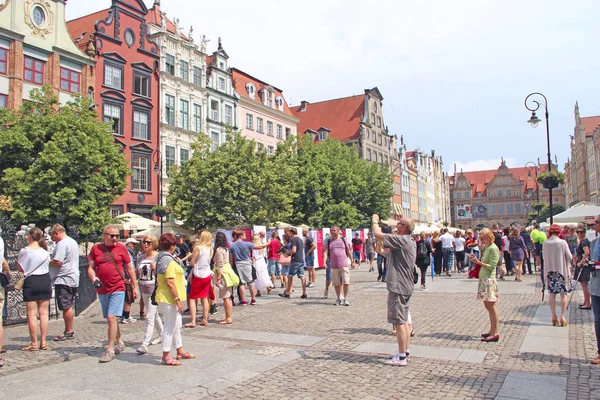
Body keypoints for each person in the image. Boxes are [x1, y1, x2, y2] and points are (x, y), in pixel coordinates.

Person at [88, 224, 139, 363]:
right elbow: (91, 268)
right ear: (105, 235)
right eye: (112, 236)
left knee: (111, 317)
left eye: (117, 235)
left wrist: (135, 287)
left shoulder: (121, 248)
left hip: (118, 286)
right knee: (111, 319)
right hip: (103, 288)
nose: (115, 238)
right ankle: (120, 341)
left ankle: (110, 349)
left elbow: (130, 268)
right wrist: (94, 277)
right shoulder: (95, 249)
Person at [372, 215, 416, 367]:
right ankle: (405, 351)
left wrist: (374, 220)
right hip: (404, 285)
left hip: (399, 286)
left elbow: (377, 234)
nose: (396, 226)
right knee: (404, 321)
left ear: (405, 227)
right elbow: (383, 251)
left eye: (399, 224)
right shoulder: (405, 243)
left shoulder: (403, 240)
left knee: (399, 322)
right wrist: (380, 242)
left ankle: (402, 357)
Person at [155, 233, 194, 366]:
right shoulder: (168, 260)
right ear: (172, 246)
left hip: (168, 297)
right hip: (169, 298)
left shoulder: (165, 257)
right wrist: (177, 300)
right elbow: (170, 281)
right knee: (170, 326)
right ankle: (166, 355)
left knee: (177, 325)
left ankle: (179, 350)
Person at [16, 227, 51, 351]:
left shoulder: (24, 251)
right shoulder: (45, 252)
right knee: (44, 313)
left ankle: (34, 343)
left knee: (32, 314)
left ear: (29, 236)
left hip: (31, 281)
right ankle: (43, 342)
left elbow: (20, 268)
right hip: (45, 280)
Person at [48, 224, 80, 342]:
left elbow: (58, 261)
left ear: (57, 233)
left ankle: (68, 330)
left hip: (64, 277)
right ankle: (68, 329)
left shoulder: (62, 244)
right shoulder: (72, 242)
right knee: (68, 304)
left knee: (66, 305)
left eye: (53, 237)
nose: (52, 240)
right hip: (72, 277)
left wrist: (47, 261)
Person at [468, 228, 500, 343]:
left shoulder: (493, 248)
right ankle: (491, 330)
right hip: (484, 279)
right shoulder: (486, 248)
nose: (481, 240)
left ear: (488, 237)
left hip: (489, 279)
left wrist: (478, 262)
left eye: (482, 238)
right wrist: (476, 261)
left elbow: (492, 266)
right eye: (480, 238)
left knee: (491, 306)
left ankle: (495, 332)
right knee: (488, 306)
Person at [135, 235, 163, 354]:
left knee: (149, 316)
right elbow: (137, 273)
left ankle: (145, 343)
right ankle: (162, 334)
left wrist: (156, 268)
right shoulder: (140, 257)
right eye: (144, 242)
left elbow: (163, 273)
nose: (145, 244)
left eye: (148, 243)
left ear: (154, 244)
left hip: (154, 289)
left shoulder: (158, 257)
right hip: (143, 288)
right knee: (154, 313)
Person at [542, 224, 573, 327]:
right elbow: (569, 257)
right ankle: (563, 317)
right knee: (563, 294)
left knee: (552, 294)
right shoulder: (562, 242)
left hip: (550, 272)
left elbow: (543, 257)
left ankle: (554, 316)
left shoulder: (545, 243)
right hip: (561, 272)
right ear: (559, 232)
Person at [230, 230, 268, 305]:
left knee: (241, 283)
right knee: (251, 282)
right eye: (244, 235)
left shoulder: (232, 246)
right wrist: (268, 242)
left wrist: (231, 267)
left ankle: (243, 300)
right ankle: (253, 299)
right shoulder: (247, 244)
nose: (246, 236)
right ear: (240, 236)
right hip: (247, 263)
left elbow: (231, 259)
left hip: (238, 264)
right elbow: (260, 246)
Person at [322, 225, 352, 306]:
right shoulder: (329, 241)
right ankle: (338, 298)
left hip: (344, 264)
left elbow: (348, 250)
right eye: (331, 230)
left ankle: (345, 298)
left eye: (334, 230)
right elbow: (325, 252)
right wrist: (324, 262)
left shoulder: (343, 239)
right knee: (336, 283)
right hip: (334, 265)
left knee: (346, 282)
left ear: (338, 231)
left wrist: (352, 261)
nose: (332, 232)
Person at [212, 232, 234, 325]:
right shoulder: (225, 249)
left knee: (225, 297)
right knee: (227, 296)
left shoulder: (219, 250)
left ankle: (228, 317)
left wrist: (219, 278)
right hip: (228, 271)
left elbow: (220, 264)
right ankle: (228, 317)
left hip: (223, 273)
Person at [280, 227, 307, 299]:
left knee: (290, 276)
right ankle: (304, 292)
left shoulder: (294, 240)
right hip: (301, 259)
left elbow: (294, 250)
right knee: (302, 276)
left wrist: (288, 253)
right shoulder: (300, 240)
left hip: (295, 260)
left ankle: (287, 292)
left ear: (291, 233)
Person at [588, 217, 600, 364]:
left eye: (596, 223)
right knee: (598, 321)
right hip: (596, 285)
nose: (593, 226)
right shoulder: (595, 242)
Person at [122, 237, 139, 324]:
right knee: (129, 297)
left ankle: (124, 315)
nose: (135, 246)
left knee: (126, 297)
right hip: (127, 277)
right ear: (129, 243)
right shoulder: (127, 252)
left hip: (125, 277)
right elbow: (130, 267)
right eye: (133, 244)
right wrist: (132, 278)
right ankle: (126, 316)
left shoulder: (126, 251)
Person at [574, 225, 592, 310]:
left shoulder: (584, 242)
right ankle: (586, 301)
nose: (579, 233)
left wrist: (580, 262)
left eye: (581, 232)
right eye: (578, 232)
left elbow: (587, 252)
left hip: (583, 266)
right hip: (582, 265)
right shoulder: (583, 241)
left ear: (584, 233)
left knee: (584, 285)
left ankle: (588, 303)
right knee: (583, 285)